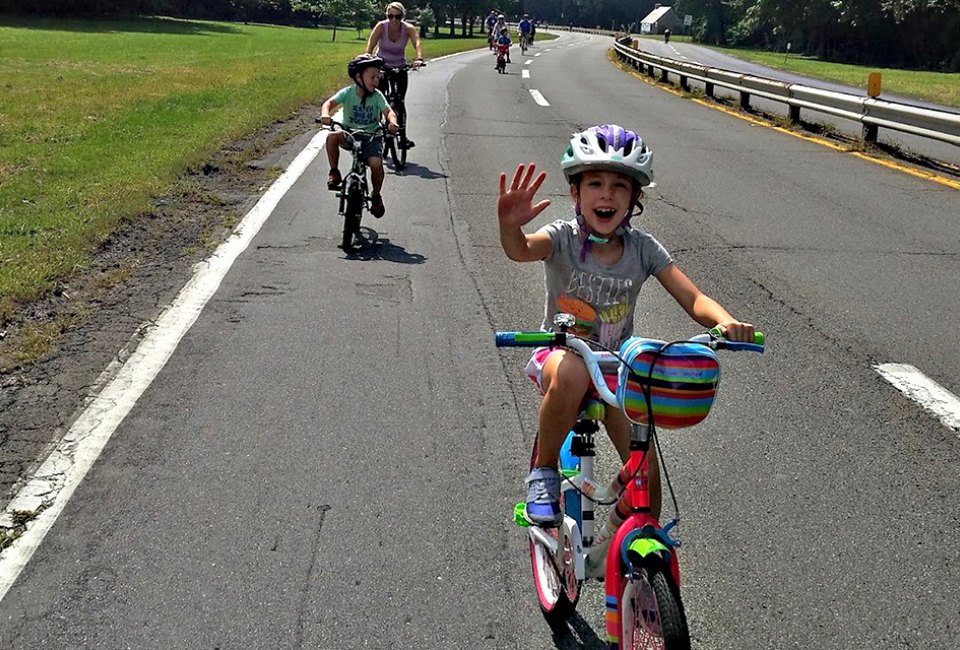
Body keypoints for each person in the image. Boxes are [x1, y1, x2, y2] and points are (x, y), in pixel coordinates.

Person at [496, 125, 756, 528]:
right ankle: (543, 474)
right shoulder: (562, 237)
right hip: (559, 355)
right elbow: (522, 250)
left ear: (634, 198)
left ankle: (624, 545)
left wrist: (726, 323)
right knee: (573, 369)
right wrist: (510, 226)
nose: (606, 194)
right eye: (595, 183)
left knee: (647, 483)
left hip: (617, 366)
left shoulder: (643, 248)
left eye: (620, 186)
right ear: (576, 194)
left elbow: (694, 298)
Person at [320, 55, 398, 219]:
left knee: (376, 165)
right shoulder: (348, 93)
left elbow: (388, 112)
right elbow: (328, 104)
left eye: (378, 77)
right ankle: (334, 172)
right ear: (358, 76)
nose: (376, 81)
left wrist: (392, 122)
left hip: (371, 137)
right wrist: (325, 115)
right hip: (350, 133)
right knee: (332, 137)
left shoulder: (377, 96)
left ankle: (376, 195)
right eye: (372, 77)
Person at [365, 2, 424, 149]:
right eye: (390, 16)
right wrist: (367, 55)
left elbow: (417, 43)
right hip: (382, 66)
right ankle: (376, 132)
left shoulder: (408, 28)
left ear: (403, 17)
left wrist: (419, 59)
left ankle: (402, 136)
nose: (394, 20)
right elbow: (371, 44)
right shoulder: (381, 26)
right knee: (380, 99)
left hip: (400, 66)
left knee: (400, 101)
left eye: (397, 16)